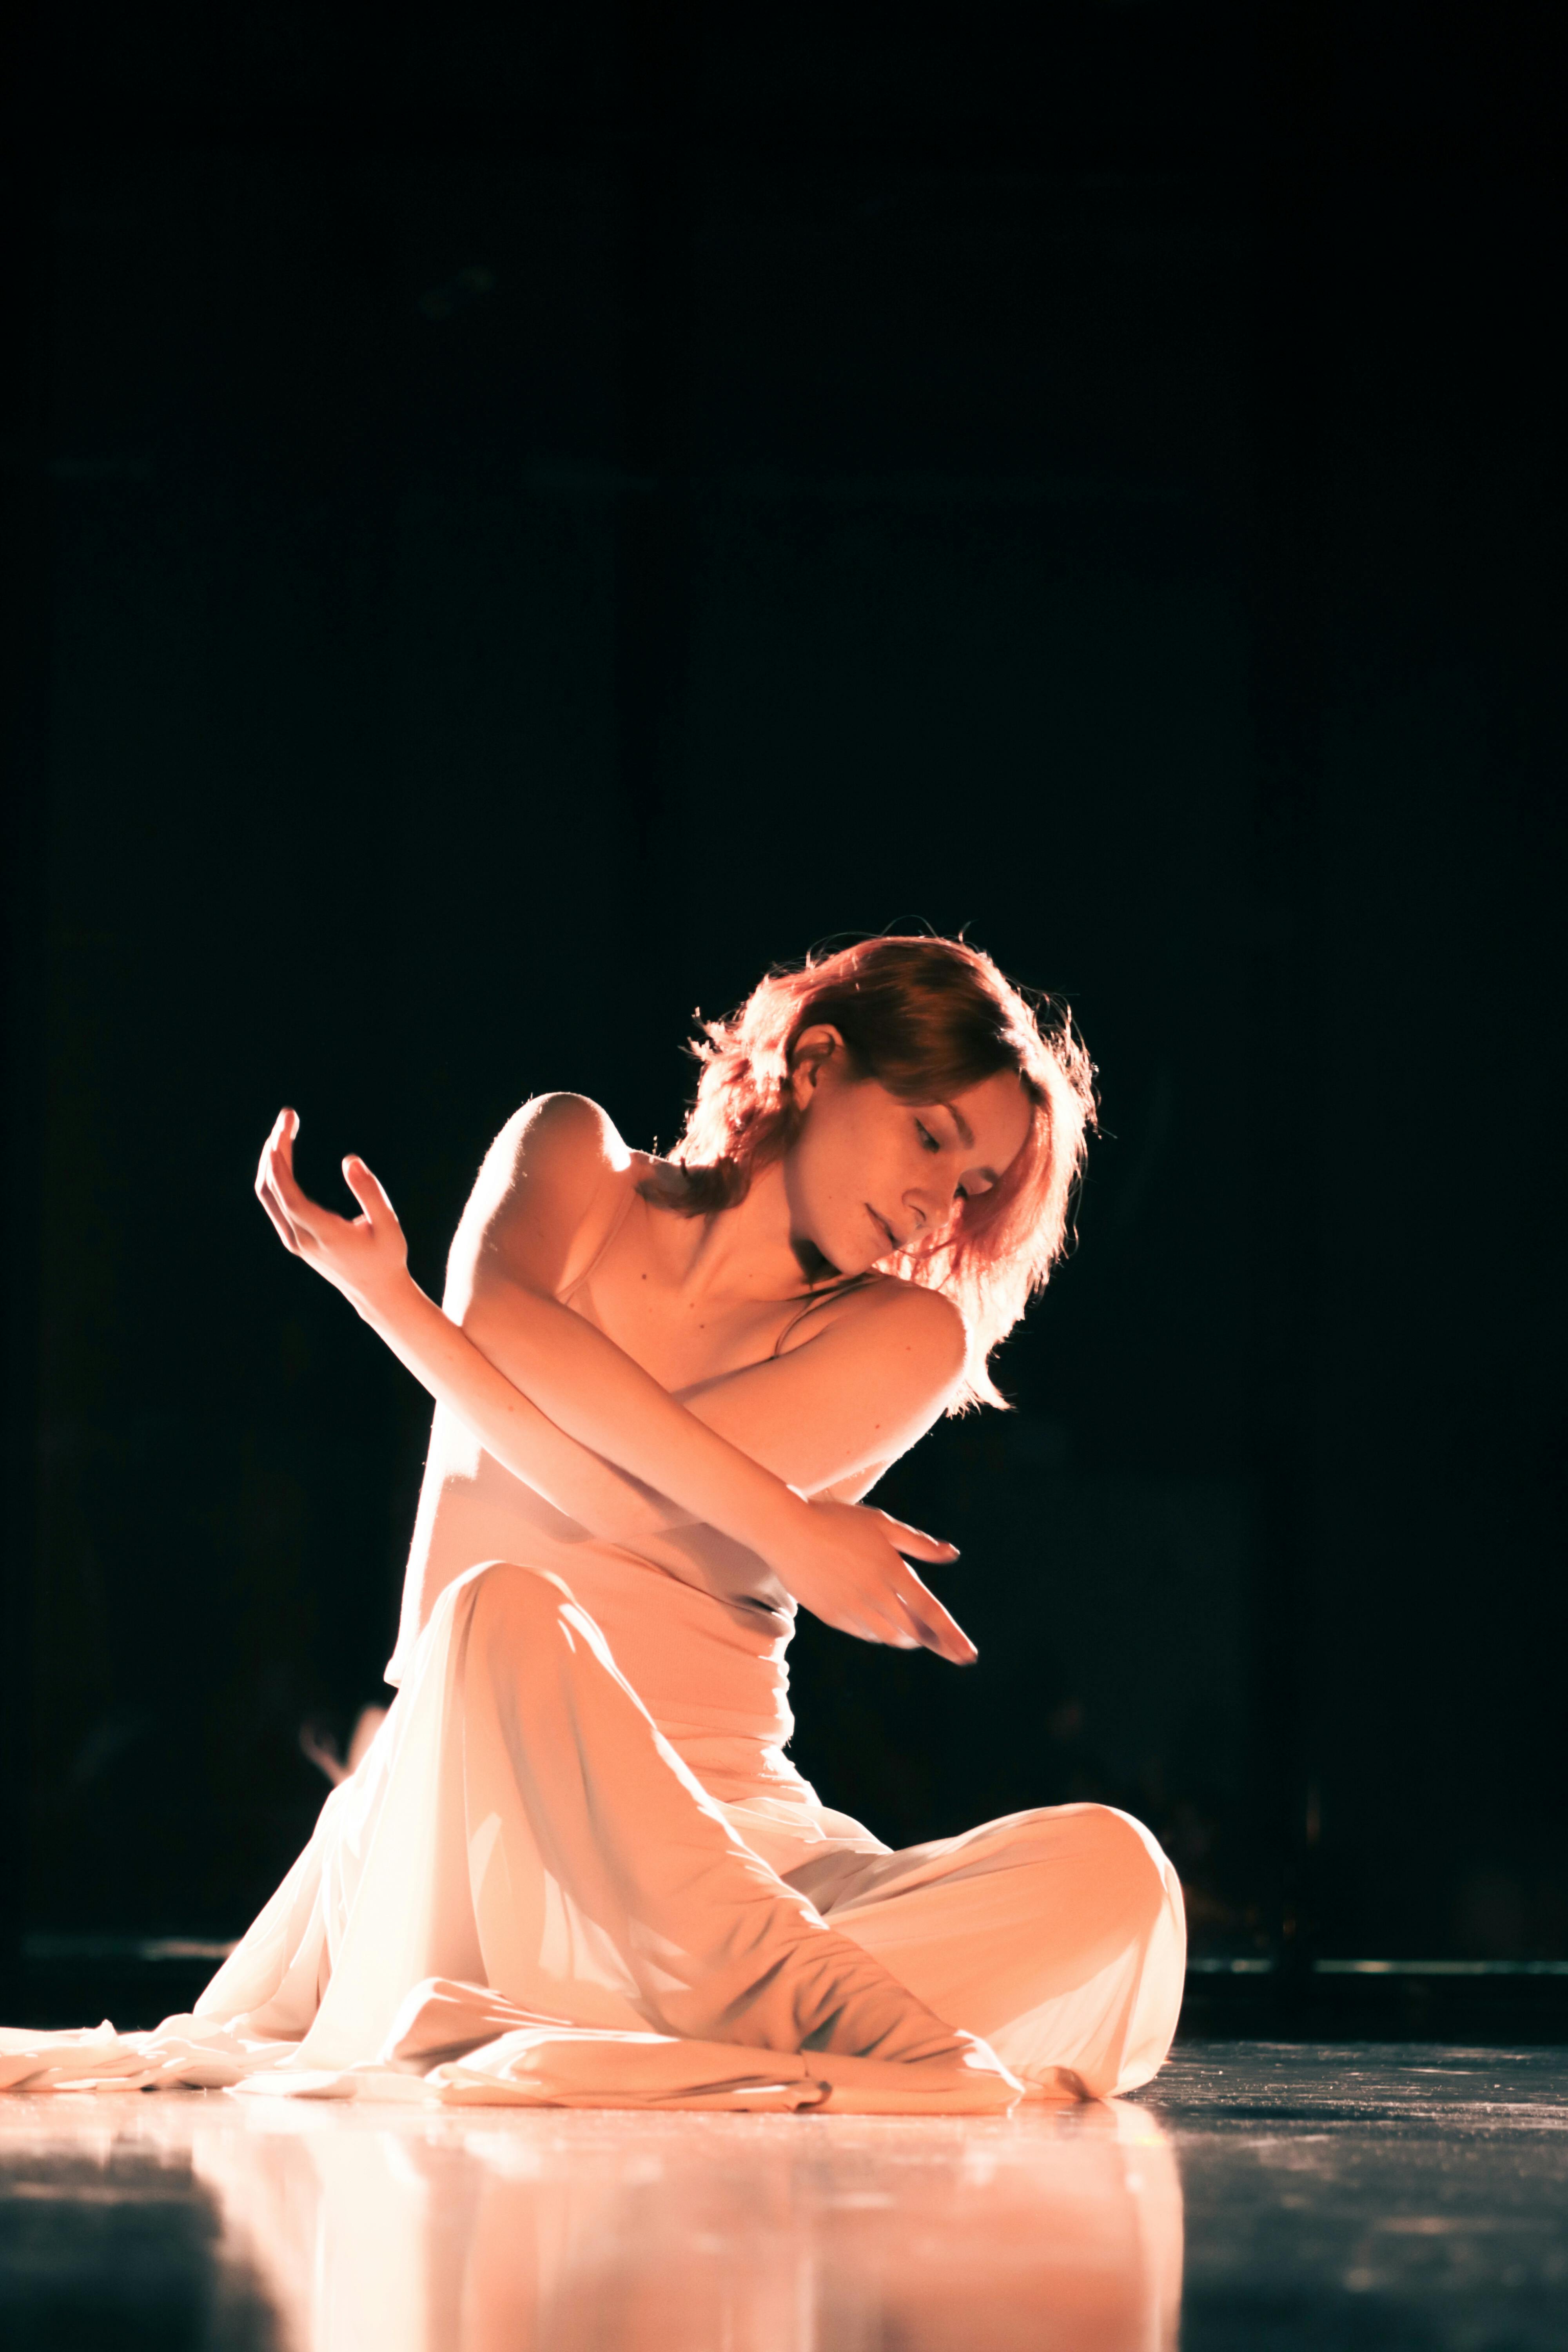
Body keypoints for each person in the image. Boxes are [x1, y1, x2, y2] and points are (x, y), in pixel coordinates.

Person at [2, 936, 1183, 2112]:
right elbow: (516, 1345)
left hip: (730, 1844)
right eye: (932, 1136)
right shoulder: (570, 1149)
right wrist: (790, 1529)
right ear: (819, 1063)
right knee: (507, 1613)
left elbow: (616, 1484)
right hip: (478, 1812)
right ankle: (816, 2023)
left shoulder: (907, 1333)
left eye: (972, 1187)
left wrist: (396, 1309)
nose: (937, 1204)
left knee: (1117, 1873)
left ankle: (669, 2017)